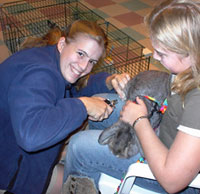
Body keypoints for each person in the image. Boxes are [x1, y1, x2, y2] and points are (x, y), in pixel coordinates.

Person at [63, 0, 200, 193]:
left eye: (162, 53)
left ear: (192, 52)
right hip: (167, 134)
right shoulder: (199, 64)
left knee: (79, 148)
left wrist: (139, 120)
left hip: (182, 178)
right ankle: (91, 172)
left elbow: (172, 181)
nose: (154, 57)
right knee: (101, 103)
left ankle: (83, 168)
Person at [0, 20, 130, 194]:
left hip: (13, 153)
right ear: (62, 44)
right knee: (80, 178)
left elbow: (74, 89)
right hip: (9, 170)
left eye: (92, 61)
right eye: (80, 54)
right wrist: (83, 106)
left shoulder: (50, 60)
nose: (84, 67)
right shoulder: (39, 74)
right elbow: (31, 136)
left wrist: (107, 81)